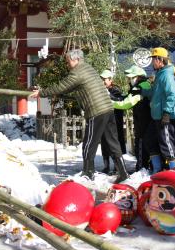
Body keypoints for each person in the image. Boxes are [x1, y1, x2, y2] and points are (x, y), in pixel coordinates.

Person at [30, 49, 128, 183]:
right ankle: (123, 172)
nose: (67, 64)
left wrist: (42, 93)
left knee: (88, 143)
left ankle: (88, 172)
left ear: (76, 60)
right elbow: (74, 89)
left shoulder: (77, 72)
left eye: (68, 61)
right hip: (108, 109)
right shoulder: (89, 68)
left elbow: (62, 86)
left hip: (96, 110)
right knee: (112, 141)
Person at [143, 47, 175, 173]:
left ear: (160, 60)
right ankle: (157, 169)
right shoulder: (160, 74)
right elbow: (154, 93)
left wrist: (167, 113)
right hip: (156, 116)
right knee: (149, 140)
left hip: (164, 116)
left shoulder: (167, 75)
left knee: (167, 144)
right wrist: (141, 91)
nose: (152, 62)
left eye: (153, 59)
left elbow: (172, 94)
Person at [111, 65, 152, 171]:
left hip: (143, 122)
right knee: (147, 147)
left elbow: (127, 103)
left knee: (141, 146)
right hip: (147, 121)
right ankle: (146, 168)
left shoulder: (139, 87)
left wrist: (111, 103)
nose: (129, 79)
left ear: (137, 77)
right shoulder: (145, 85)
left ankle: (141, 169)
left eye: (131, 77)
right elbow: (128, 97)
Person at [100, 69, 126, 174]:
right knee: (104, 142)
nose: (102, 82)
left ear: (110, 80)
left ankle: (117, 166)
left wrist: (108, 95)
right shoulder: (100, 90)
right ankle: (106, 166)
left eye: (104, 79)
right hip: (104, 120)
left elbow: (119, 100)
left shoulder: (116, 90)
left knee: (116, 142)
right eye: (101, 79)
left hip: (115, 121)